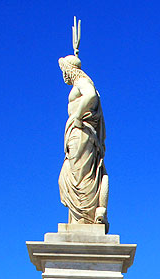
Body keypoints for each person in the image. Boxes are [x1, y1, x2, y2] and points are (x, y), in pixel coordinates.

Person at [58, 54, 109, 230]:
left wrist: (78, 116)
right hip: (80, 134)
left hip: (81, 133)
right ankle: (79, 219)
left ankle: (85, 220)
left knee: (80, 176)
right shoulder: (80, 82)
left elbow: (91, 96)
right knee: (72, 174)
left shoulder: (81, 80)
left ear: (68, 69)